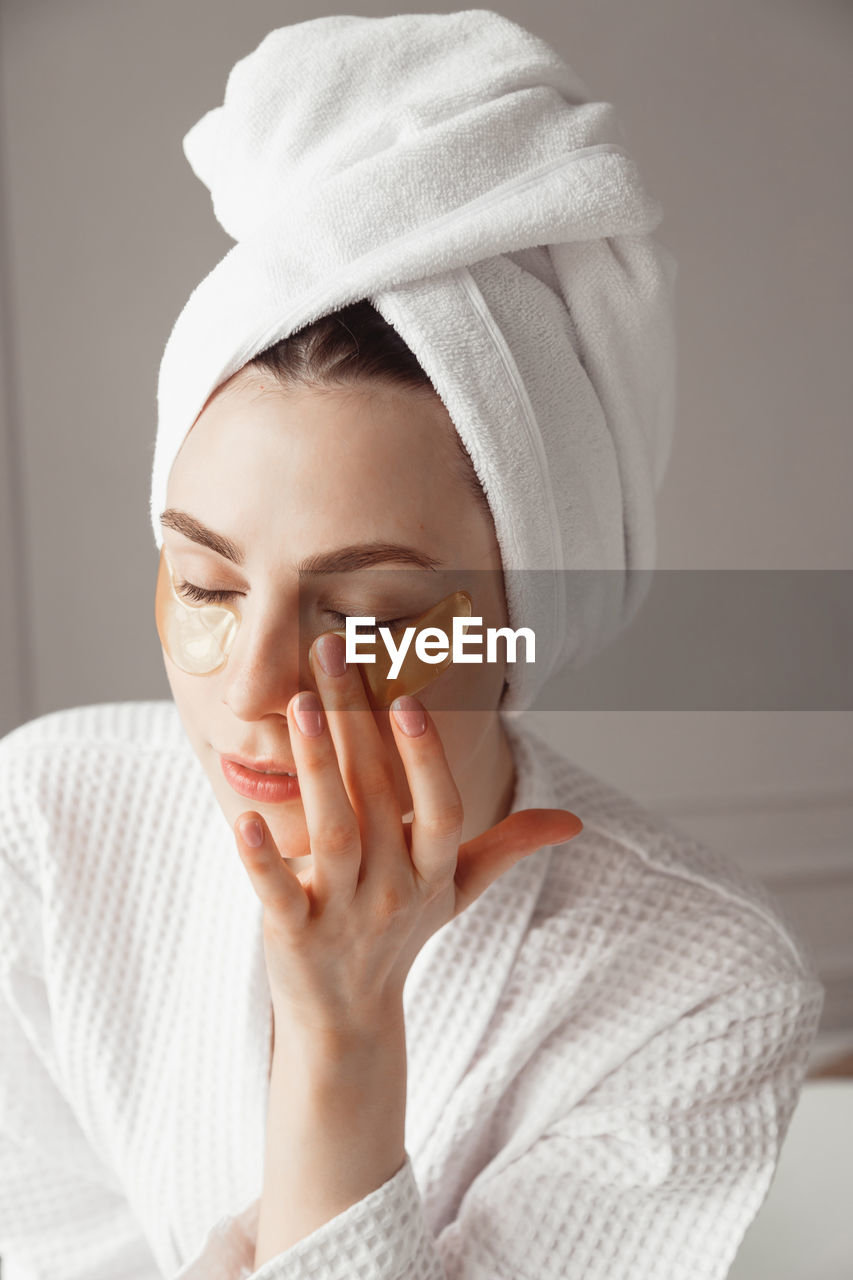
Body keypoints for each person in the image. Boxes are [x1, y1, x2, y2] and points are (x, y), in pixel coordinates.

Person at [0, 11, 824, 1280]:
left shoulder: (698, 983)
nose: (253, 685)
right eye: (206, 581)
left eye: (369, 617)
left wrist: (343, 1036)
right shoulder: (47, 836)